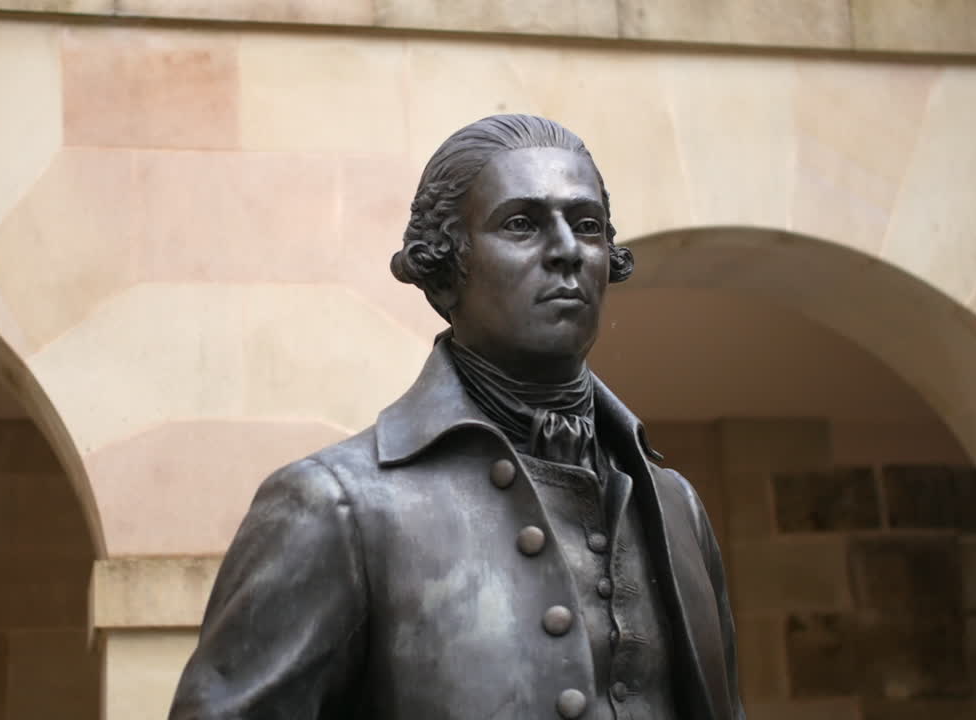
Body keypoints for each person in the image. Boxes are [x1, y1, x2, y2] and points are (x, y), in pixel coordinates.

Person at [169, 114, 745, 720]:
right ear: (444, 269)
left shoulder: (677, 508)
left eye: (588, 225)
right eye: (521, 224)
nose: (567, 251)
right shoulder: (337, 506)